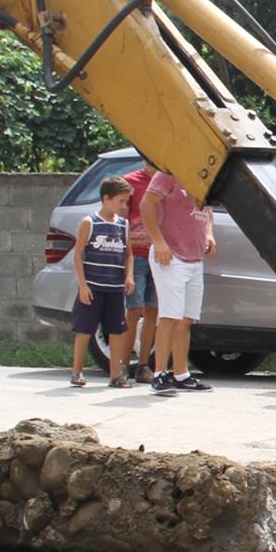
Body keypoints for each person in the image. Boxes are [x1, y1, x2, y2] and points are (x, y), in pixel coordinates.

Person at [140, 166, 216, 395]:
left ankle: (181, 373)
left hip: (195, 257)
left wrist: (209, 233)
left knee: (186, 319)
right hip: (171, 256)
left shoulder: (203, 174)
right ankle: (160, 373)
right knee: (170, 316)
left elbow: (207, 209)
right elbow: (146, 204)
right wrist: (159, 242)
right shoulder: (169, 173)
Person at [69, 176, 136, 387]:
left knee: (116, 331)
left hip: (115, 288)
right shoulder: (90, 223)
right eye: (121, 201)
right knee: (85, 329)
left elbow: (128, 254)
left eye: (126, 202)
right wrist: (83, 285)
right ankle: (77, 372)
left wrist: (129, 275)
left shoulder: (123, 225)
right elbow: (78, 254)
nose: (124, 206)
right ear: (106, 198)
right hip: (93, 287)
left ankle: (115, 374)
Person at [112, 155, 161, 383]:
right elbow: (121, 220)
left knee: (153, 311)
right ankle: (122, 365)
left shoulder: (167, 181)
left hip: (160, 256)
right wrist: (125, 258)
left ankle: (143, 365)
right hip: (137, 254)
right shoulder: (131, 183)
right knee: (133, 311)